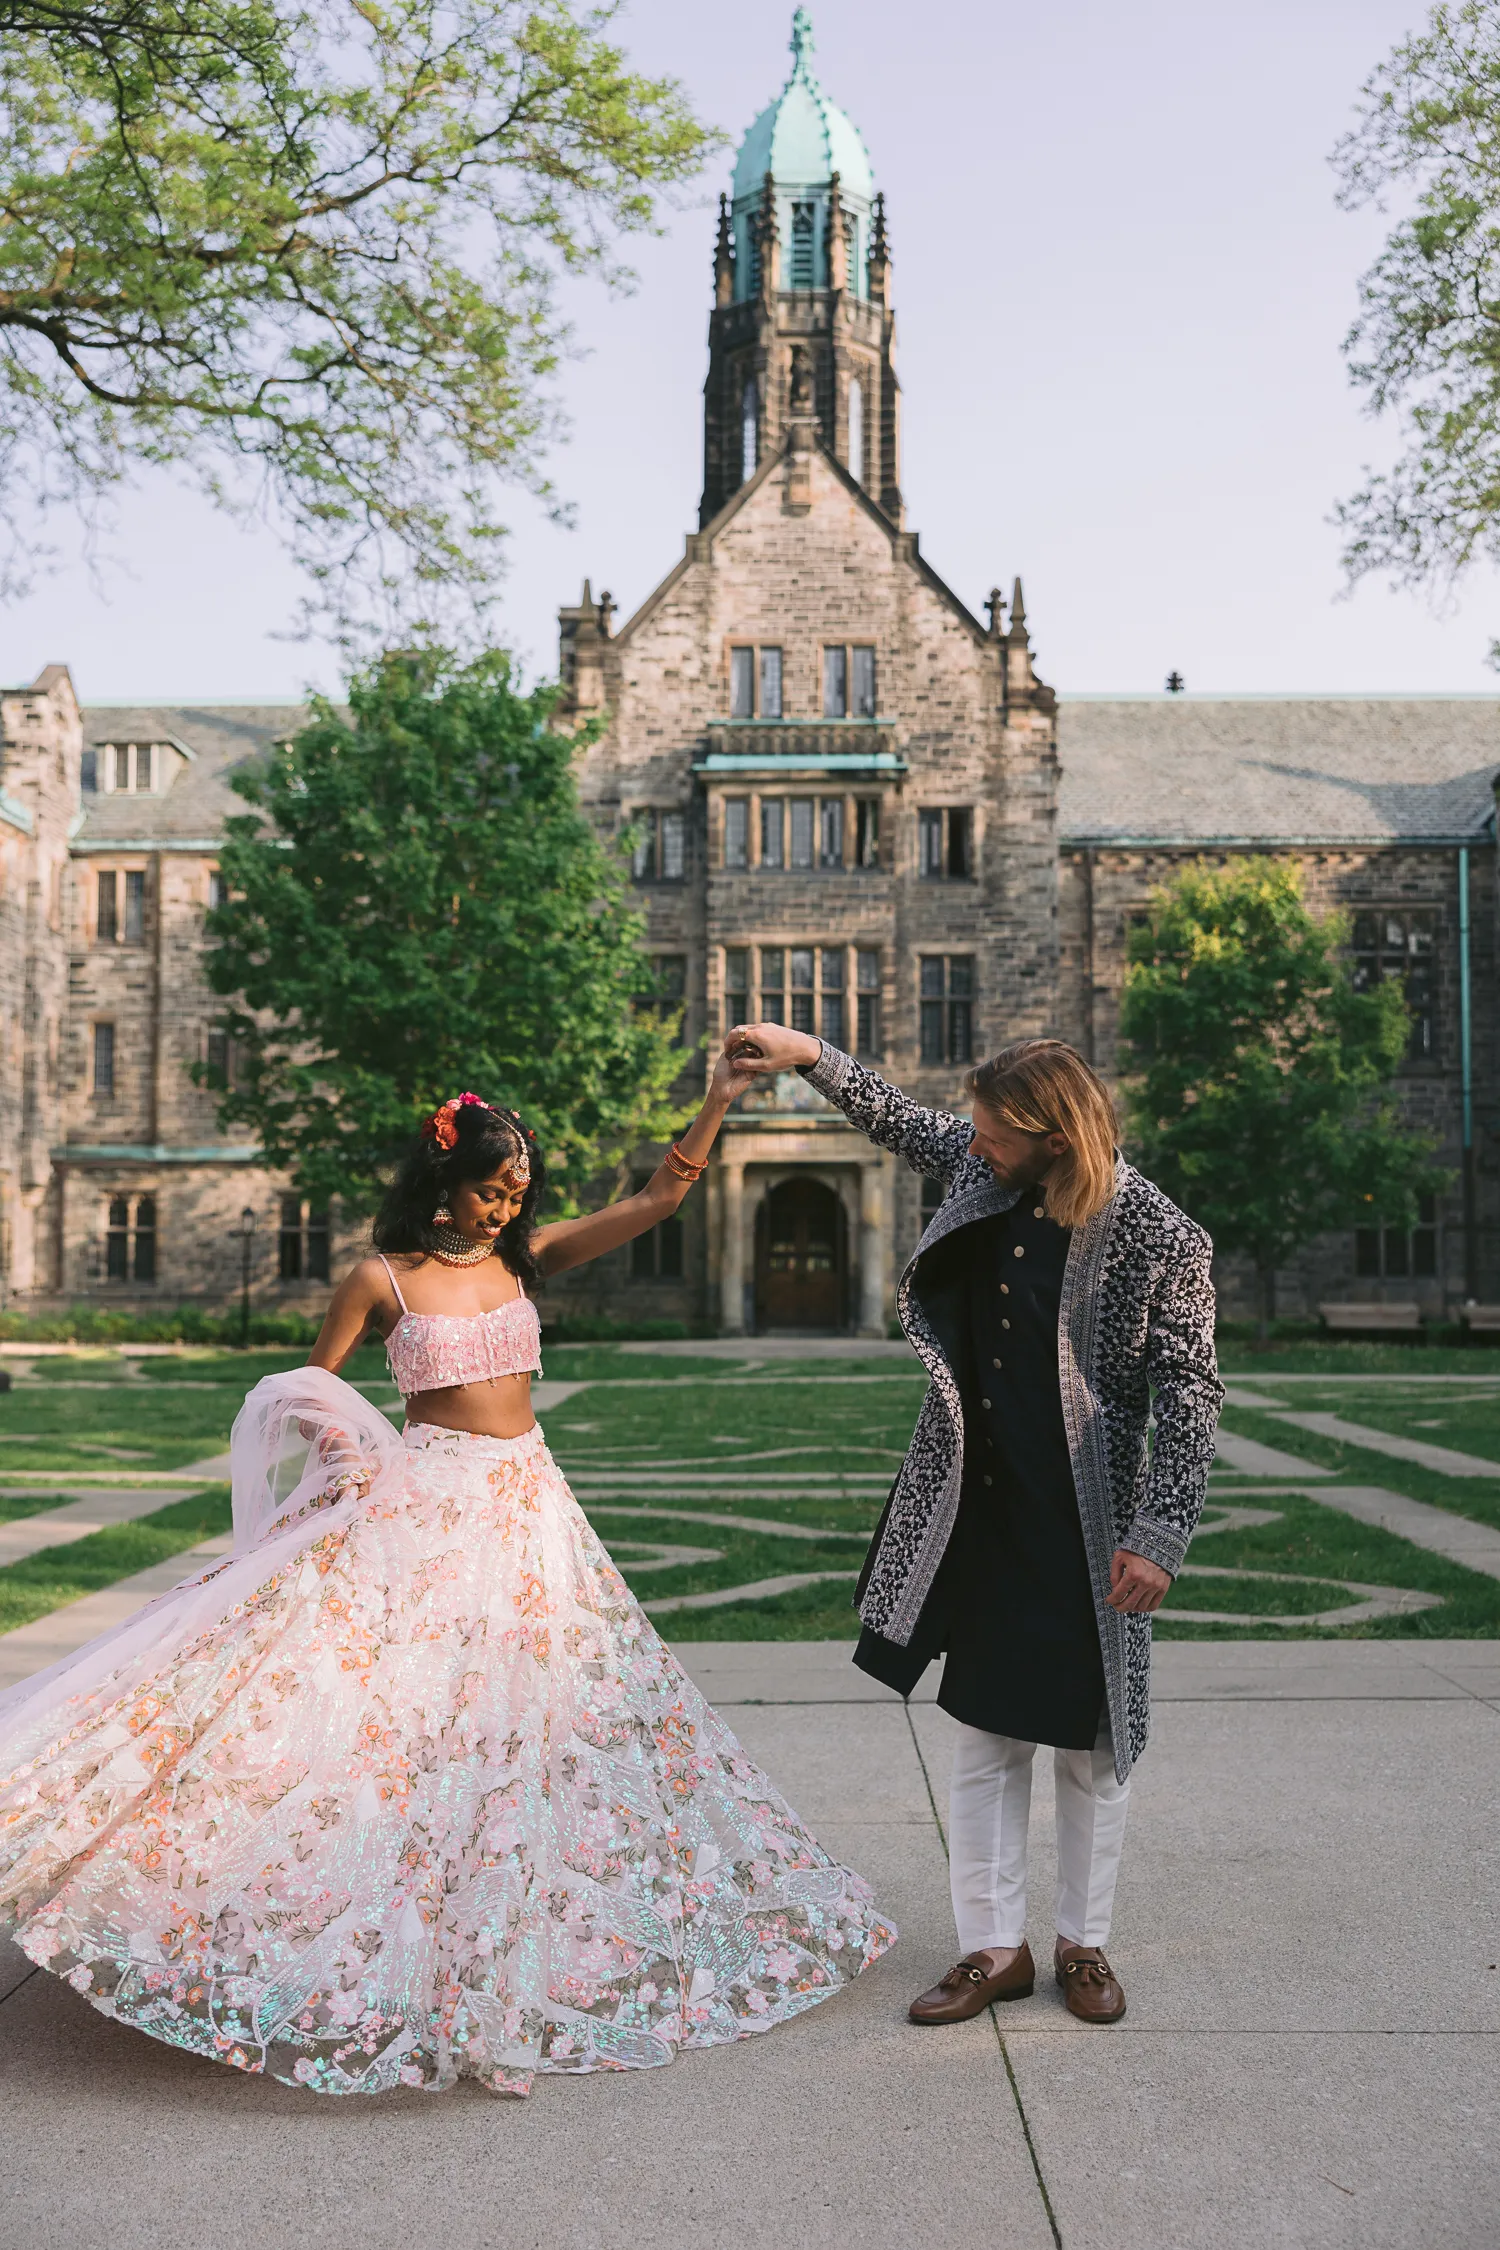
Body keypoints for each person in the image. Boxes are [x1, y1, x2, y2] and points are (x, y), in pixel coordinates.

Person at [0, 1056, 894, 2097]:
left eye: (518, 1190)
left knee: (536, 1724)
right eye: (491, 1187)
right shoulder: (381, 1278)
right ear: (442, 1182)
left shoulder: (530, 1262)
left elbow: (659, 1195)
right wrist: (345, 1464)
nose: (509, 1203)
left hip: (527, 1512)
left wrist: (720, 1102)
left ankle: (511, 1945)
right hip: (420, 1509)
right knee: (389, 1726)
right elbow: (304, 1389)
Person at [723, 1023, 1223, 2026]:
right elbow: (899, 1119)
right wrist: (807, 1053)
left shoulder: (1161, 1235)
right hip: (979, 1510)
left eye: (995, 1132)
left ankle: (1086, 1946)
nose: (975, 1144)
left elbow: (1194, 1391)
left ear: (1054, 1136)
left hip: (1094, 1525)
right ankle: (994, 1948)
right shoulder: (982, 1169)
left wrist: (1161, 1533)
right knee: (988, 1733)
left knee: (1091, 1748)